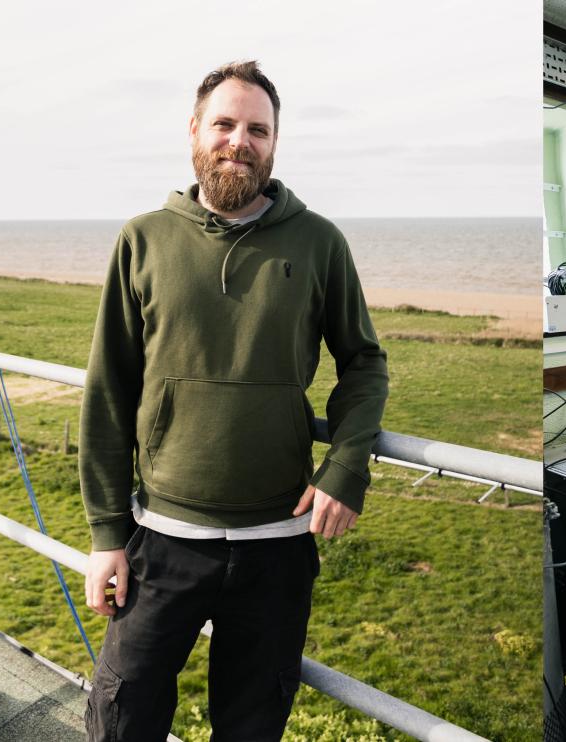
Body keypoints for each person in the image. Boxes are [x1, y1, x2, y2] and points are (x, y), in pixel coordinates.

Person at [78, 60, 389, 741]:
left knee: (250, 729)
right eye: (224, 124)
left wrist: (345, 466)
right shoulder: (142, 239)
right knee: (121, 719)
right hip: (161, 537)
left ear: (275, 142)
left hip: (278, 544)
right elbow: (108, 392)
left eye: (257, 129)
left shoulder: (319, 243)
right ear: (195, 130)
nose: (238, 141)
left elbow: (364, 363)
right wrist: (106, 534)